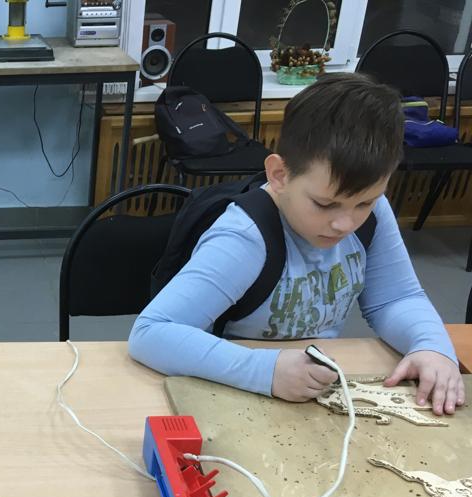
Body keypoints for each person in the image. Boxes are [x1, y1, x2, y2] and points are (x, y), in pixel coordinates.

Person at [129, 72, 463, 416]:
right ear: (279, 175)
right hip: (236, 390)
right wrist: (265, 371)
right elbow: (152, 332)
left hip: (309, 390)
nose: (345, 223)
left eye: (364, 203)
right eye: (325, 204)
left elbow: (396, 298)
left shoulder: (374, 212)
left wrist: (431, 346)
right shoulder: (245, 235)